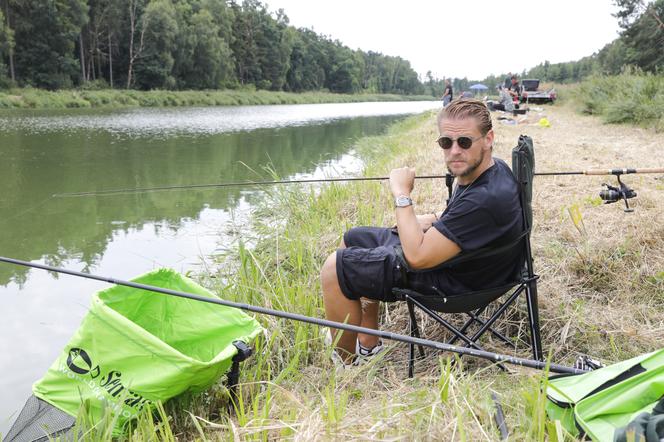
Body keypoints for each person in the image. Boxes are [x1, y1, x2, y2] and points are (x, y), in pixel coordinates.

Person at [320, 99, 524, 367]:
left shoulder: (484, 199)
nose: (454, 151)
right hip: (465, 261)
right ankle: (368, 344)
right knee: (355, 238)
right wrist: (434, 219)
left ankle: (346, 365)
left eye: (464, 142)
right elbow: (459, 219)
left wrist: (402, 194)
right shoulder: (490, 169)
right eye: (445, 143)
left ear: (488, 138)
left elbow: (415, 257)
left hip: (456, 282)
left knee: (335, 268)